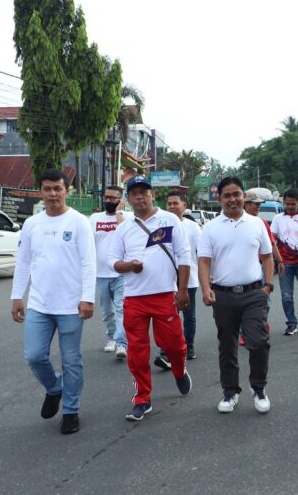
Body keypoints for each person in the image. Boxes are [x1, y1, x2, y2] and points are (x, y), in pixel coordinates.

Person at [10, 169, 96, 435]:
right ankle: (55, 388)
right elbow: (23, 262)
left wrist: (87, 298)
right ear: (40, 191)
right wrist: (16, 296)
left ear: (67, 190)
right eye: (47, 189)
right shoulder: (32, 224)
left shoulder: (79, 222)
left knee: (71, 360)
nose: (53, 194)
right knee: (34, 355)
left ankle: (71, 410)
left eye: (58, 188)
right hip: (40, 304)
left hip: (71, 306)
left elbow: (88, 262)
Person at [109, 176, 193, 421]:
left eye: (143, 192)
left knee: (175, 345)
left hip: (165, 294)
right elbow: (112, 261)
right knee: (137, 352)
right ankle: (142, 399)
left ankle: (179, 370)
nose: (139, 196)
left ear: (152, 195)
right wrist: (128, 265)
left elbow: (184, 255)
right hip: (134, 298)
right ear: (128, 198)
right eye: (133, 193)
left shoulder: (169, 220)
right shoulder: (123, 228)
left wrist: (183, 290)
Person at [198, 176, 275, 414]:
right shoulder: (210, 228)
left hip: (254, 293)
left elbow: (268, 256)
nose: (232, 199)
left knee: (259, 342)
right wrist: (206, 288)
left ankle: (258, 388)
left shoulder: (257, 224)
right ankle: (230, 392)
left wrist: (268, 286)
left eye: (236, 194)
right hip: (224, 296)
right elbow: (203, 262)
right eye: (227, 195)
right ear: (220, 199)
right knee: (227, 346)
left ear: (243, 196)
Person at [89, 185, 128, 360]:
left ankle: (121, 343)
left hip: (121, 273)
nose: (108, 201)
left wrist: (120, 213)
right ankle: (111, 337)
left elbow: (125, 233)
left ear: (121, 200)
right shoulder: (95, 218)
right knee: (106, 311)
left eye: (113, 198)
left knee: (120, 309)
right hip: (101, 274)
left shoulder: (128, 218)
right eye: (106, 197)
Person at [271, 188, 298, 335]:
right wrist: (278, 260)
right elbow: (272, 240)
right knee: (286, 295)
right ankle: (291, 323)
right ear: (283, 202)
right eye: (287, 204)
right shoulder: (278, 219)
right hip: (285, 263)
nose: (290, 207)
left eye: (293, 204)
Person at [242, 189, 284, 343]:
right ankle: (244, 331)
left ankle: (261, 323)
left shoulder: (262, 223)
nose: (258, 207)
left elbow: (272, 243)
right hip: (244, 269)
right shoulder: (235, 223)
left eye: (259, 204)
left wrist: (279, 261)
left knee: (264, 299)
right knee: (243, 300)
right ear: (245, 204)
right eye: (255, 204)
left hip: (261, 267)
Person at [166, 190, 202, 359]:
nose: (172, 206)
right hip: (167, 281)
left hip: (190, 280)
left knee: (189, 317)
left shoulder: (193, 227)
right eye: (169, 204)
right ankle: (167, 350)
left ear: (184, 206)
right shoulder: (162, 226)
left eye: (175, 203)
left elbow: (201, 254)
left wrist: (206, 276)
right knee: (168, 317)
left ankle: (189, 346)